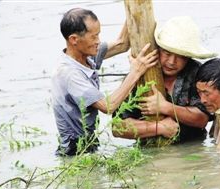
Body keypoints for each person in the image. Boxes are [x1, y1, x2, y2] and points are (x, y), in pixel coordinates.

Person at [51, 8, 158, 156]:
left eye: (98, 35)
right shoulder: (69, 74)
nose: (98, 41)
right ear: (74, 40)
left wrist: (134, 6)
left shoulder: (86, 55)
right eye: (93, 37)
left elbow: (122, 44)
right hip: (75, 149)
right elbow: (108, 106)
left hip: (89, 141)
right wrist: (136, 72)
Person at [112, 16, 217, 143]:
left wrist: (166, 108)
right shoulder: (138, 76)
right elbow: (117, 127)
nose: (172, 62)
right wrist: (157, 128)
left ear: (188, 57)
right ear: (158, 50)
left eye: (180, 56)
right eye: (167, 53)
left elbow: (202, 119)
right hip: (148, 152)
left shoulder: (197, 74)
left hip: (192, 147)